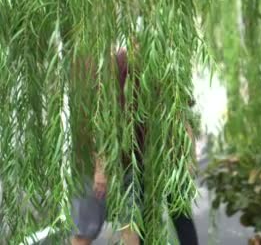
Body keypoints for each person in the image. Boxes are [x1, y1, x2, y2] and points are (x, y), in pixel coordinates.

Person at [69, 45, 199, 244]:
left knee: (169, 215)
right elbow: (100, 119)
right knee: (93, 227)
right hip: (124, 157)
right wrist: (101, 166)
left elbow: (183, 116)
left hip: (153, 157)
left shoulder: (168, 67)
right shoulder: (117, 64)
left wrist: (189, 156)